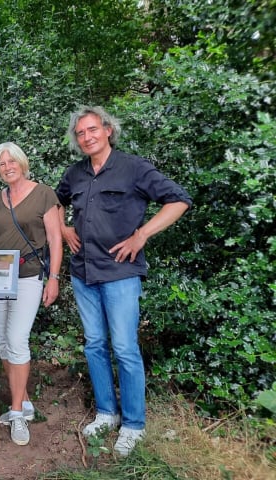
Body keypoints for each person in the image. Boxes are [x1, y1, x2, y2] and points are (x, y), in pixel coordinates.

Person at [55, 106, 192, 456]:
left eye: (92, 130)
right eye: (81, 133)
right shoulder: (76, 173)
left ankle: (134, 424)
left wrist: (142, 235)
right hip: (84, 271)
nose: (87, 137)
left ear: (107, 130)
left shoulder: (134, 168)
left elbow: (178, 200)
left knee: (125, 348)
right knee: (95, 344)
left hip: (119, 273)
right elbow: (54, 202)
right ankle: (106, 413)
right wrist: (64, 227)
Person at [0, 142, 63, 446]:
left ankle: (16, 412)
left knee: (17, 340)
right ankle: (25, 401)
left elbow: (56, 240)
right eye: (1, 164)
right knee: (4, 343)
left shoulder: (43, 194)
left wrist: (53, 278)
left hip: (30, 277)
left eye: (11, 161)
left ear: (22, 162)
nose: (7, 167)